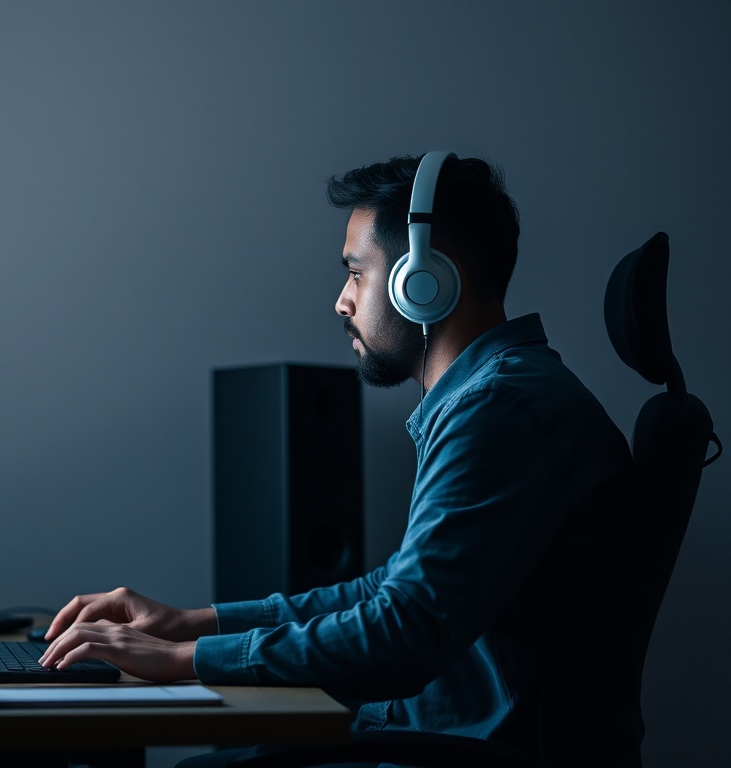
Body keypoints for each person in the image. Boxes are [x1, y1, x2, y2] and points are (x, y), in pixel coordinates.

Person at [39, 153, 633, 761]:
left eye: (356, 273)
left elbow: (406, 633)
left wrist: (182, 661)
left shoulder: (497, 410)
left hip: (450, 749)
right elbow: (394, 591)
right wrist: (193, 624)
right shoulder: (501, 395)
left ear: (422, 281)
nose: (341, 302)